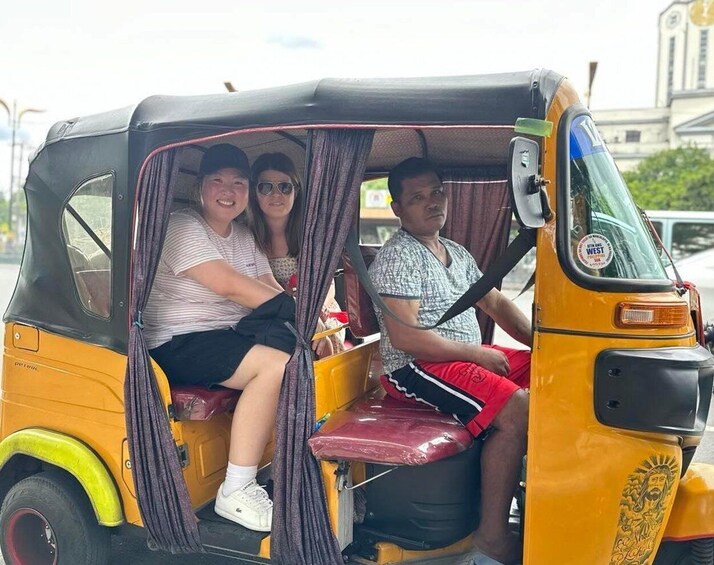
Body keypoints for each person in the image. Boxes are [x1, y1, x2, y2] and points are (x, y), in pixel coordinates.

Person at [368, 157, 532, 565]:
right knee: (517, 409)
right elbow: (406, 338)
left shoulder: (454, 251)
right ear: (398, 209)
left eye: (436, 192)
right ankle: (493, 535)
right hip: (415, 369)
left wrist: (548, 344)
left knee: (557, 371)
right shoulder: (398, 256)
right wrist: (476, 354)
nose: (431, 202)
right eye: (417, 197)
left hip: (457, 359)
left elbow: (493, 302)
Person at [144, 143, 294, 532]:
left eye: (239, 182)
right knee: (276, 366)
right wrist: (298, 314)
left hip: (229, 335)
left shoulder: (243, 236)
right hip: (179, 340)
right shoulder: (182, 226)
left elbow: (268, 285)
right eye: (218, 180)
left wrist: (310, 322)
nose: (228, 191)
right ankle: (236, 489)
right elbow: (230, 286)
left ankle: (287, 463)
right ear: (200, 187)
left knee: (309, 353)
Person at [246, 152, 344, 357]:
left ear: (296, 191)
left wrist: (314, 313)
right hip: (271, 314)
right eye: (265, 187)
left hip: (317, 310)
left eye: (285, 186)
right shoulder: (246, 236)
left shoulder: (312, 233)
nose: (276, 194)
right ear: (254, 193)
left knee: (319, 340)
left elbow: (327, 285)